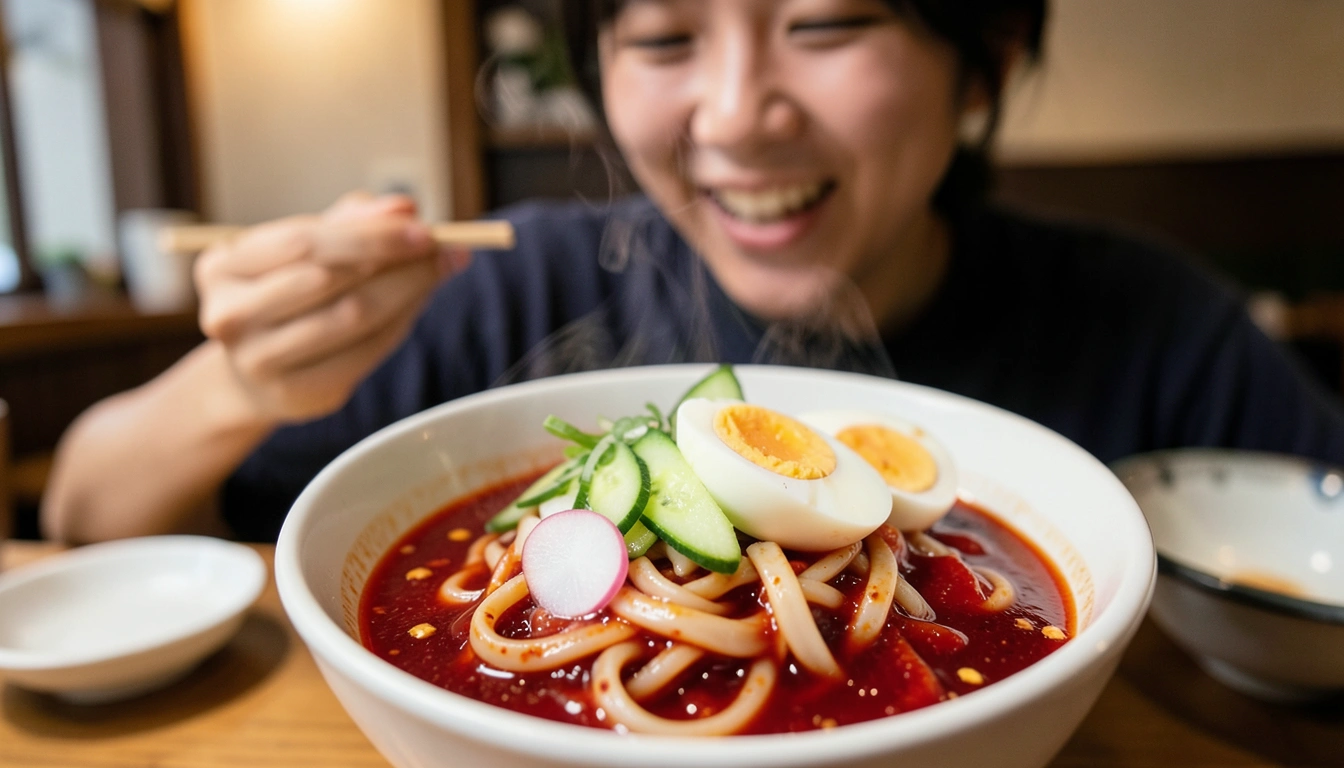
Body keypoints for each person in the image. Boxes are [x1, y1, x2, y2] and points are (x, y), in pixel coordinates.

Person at [41, 0, 1344, 543]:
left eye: (824, 22)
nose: (732, 114)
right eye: (662, 34)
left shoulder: (1157, 326)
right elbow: (84, 517)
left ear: (988, 61)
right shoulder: (501, 294)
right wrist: (242, 380)